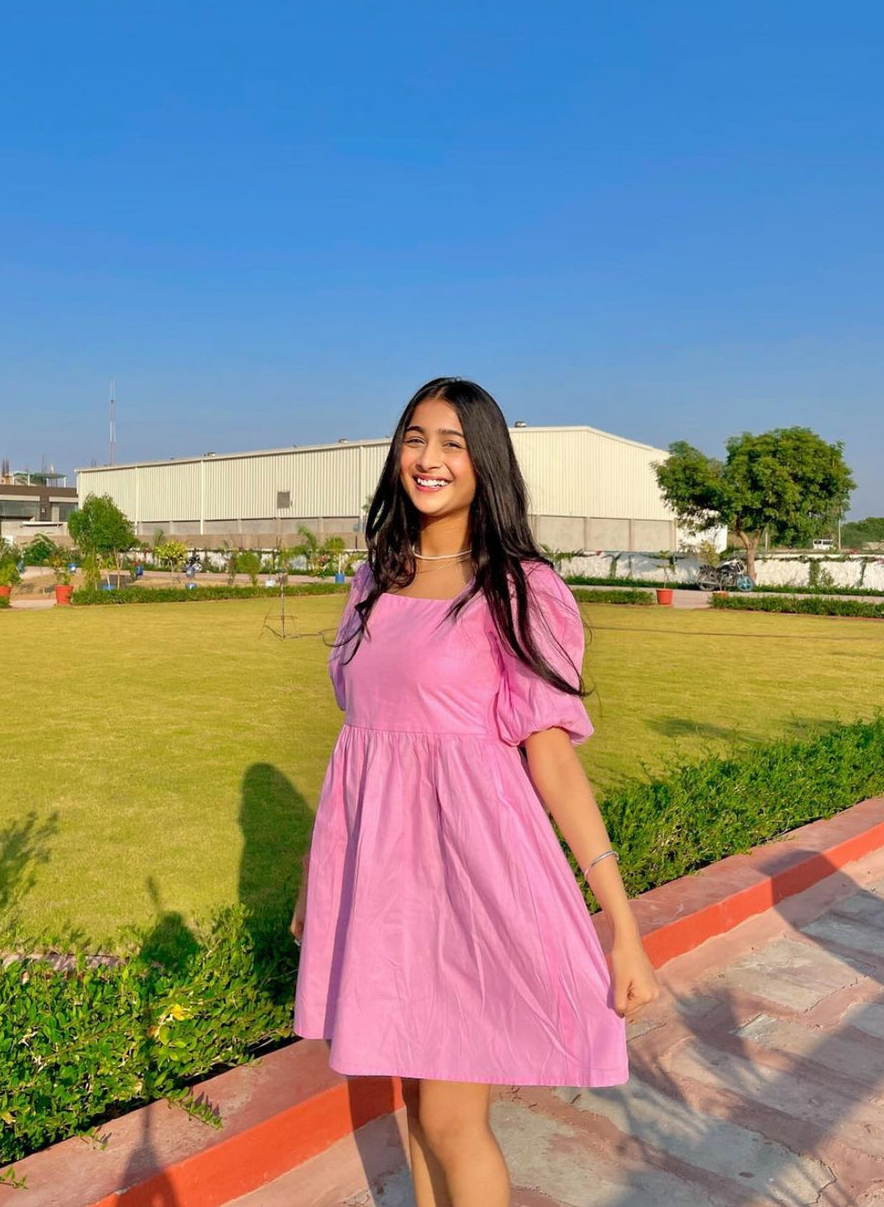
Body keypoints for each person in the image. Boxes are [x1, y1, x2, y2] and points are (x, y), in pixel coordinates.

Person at [291, 377, 659, 1207]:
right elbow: (364, 751)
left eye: (452, 444)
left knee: (455, 1120)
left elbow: (553, 760)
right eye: (414, 438)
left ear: (485, 462)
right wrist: (326, 886)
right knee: (417, 1105)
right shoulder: (373, 578)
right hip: (384, 888)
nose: (427, 458)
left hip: (469, 878)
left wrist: (622, 923)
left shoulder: (517, 588)